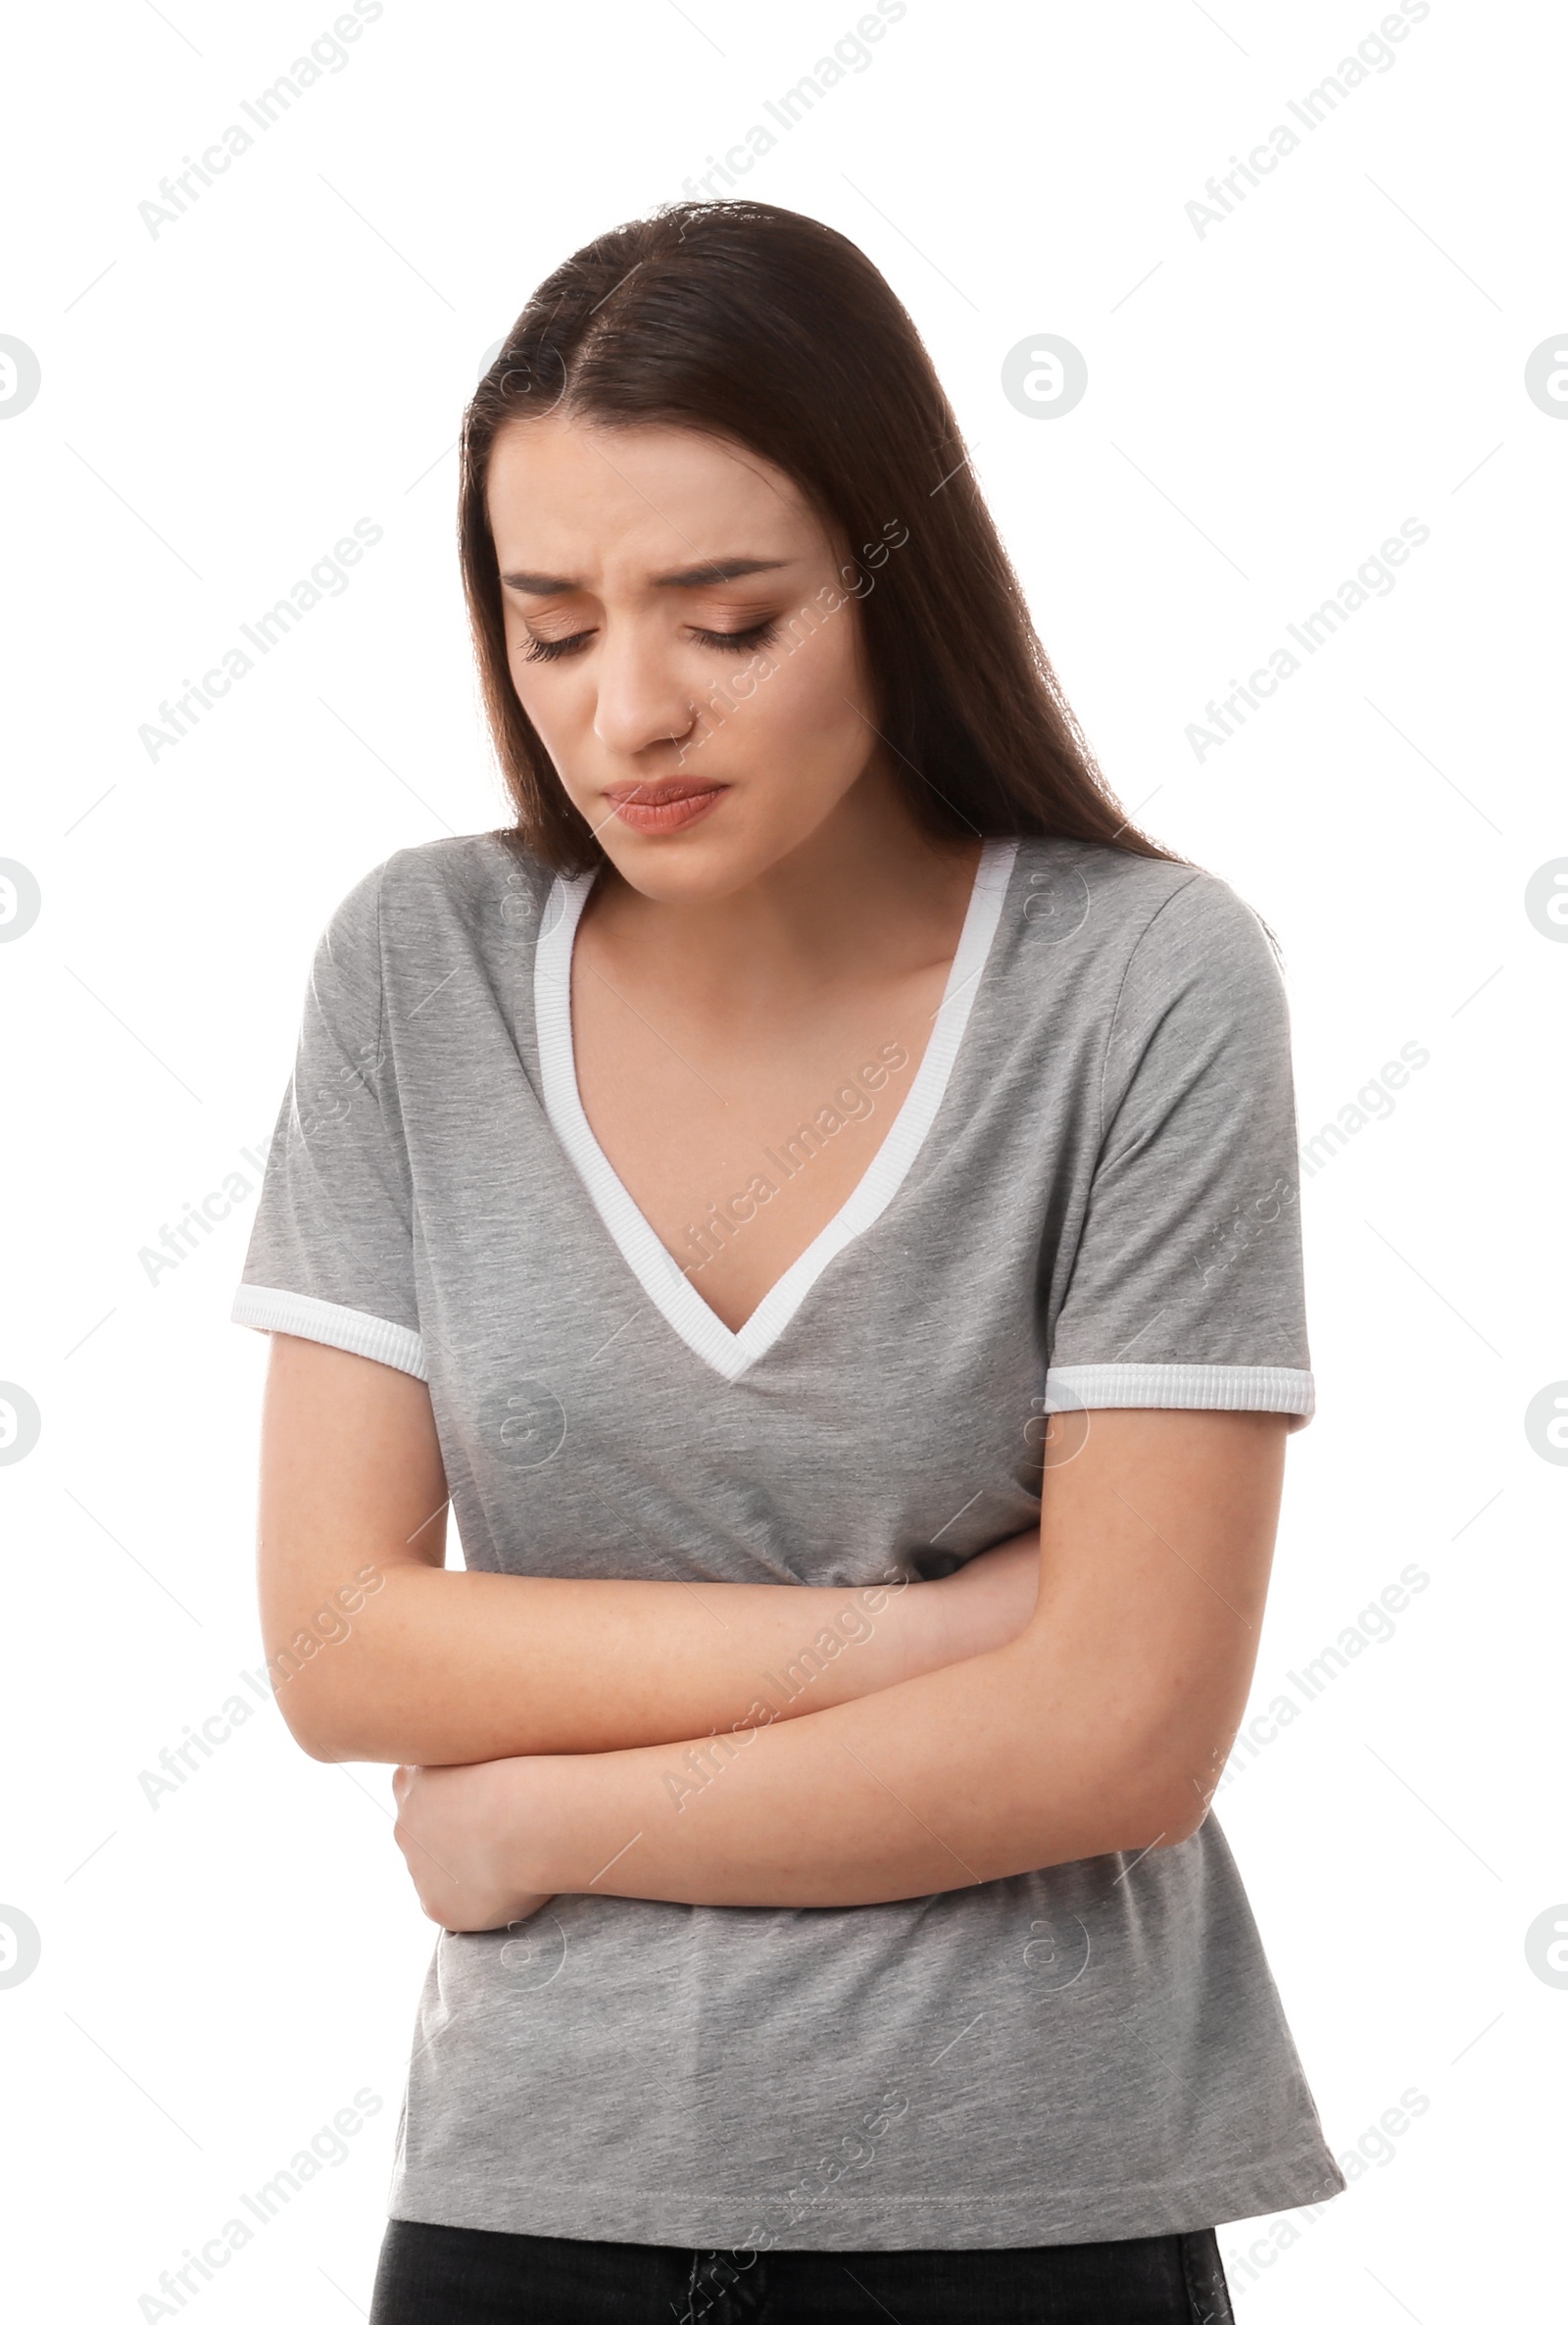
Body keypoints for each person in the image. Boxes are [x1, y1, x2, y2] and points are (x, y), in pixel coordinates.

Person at [235, 199, 1344, 2324]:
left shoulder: (1144, 986)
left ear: (891, 584)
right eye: (549, 626)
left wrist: (533, 1822)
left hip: (1034, 2206)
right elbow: (343, 1637)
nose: (624, 709)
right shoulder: (418, 965)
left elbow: (1118, 1738)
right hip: (527, 2209)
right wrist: (953, 1633)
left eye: (722, 621)